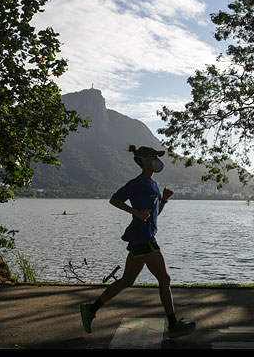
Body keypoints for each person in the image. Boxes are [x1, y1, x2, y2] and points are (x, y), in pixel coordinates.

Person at [80, 145, 196, 339]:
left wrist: (164, 200)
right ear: (144, 160)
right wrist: (135, 212)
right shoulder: (137, 183)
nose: (157, 161)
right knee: (164, 279)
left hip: (144, 235)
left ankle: (91, 308)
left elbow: (153, 215)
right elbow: (114, 200)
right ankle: (174, 324)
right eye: (153, 157)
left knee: (127, 280)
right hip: (143, 238)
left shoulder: (154, 184)